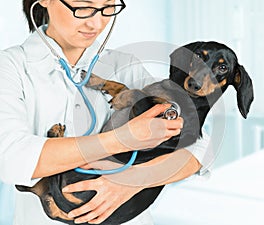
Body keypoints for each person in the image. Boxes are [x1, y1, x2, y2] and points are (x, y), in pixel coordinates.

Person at [0, 0, 209, 224]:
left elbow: (199, 147)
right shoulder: (11, 67)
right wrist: (121, 140)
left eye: (108, 7)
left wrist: (134, 179)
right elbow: (10, 158)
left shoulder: (124, 65)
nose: (97, 23)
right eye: (83, 7)